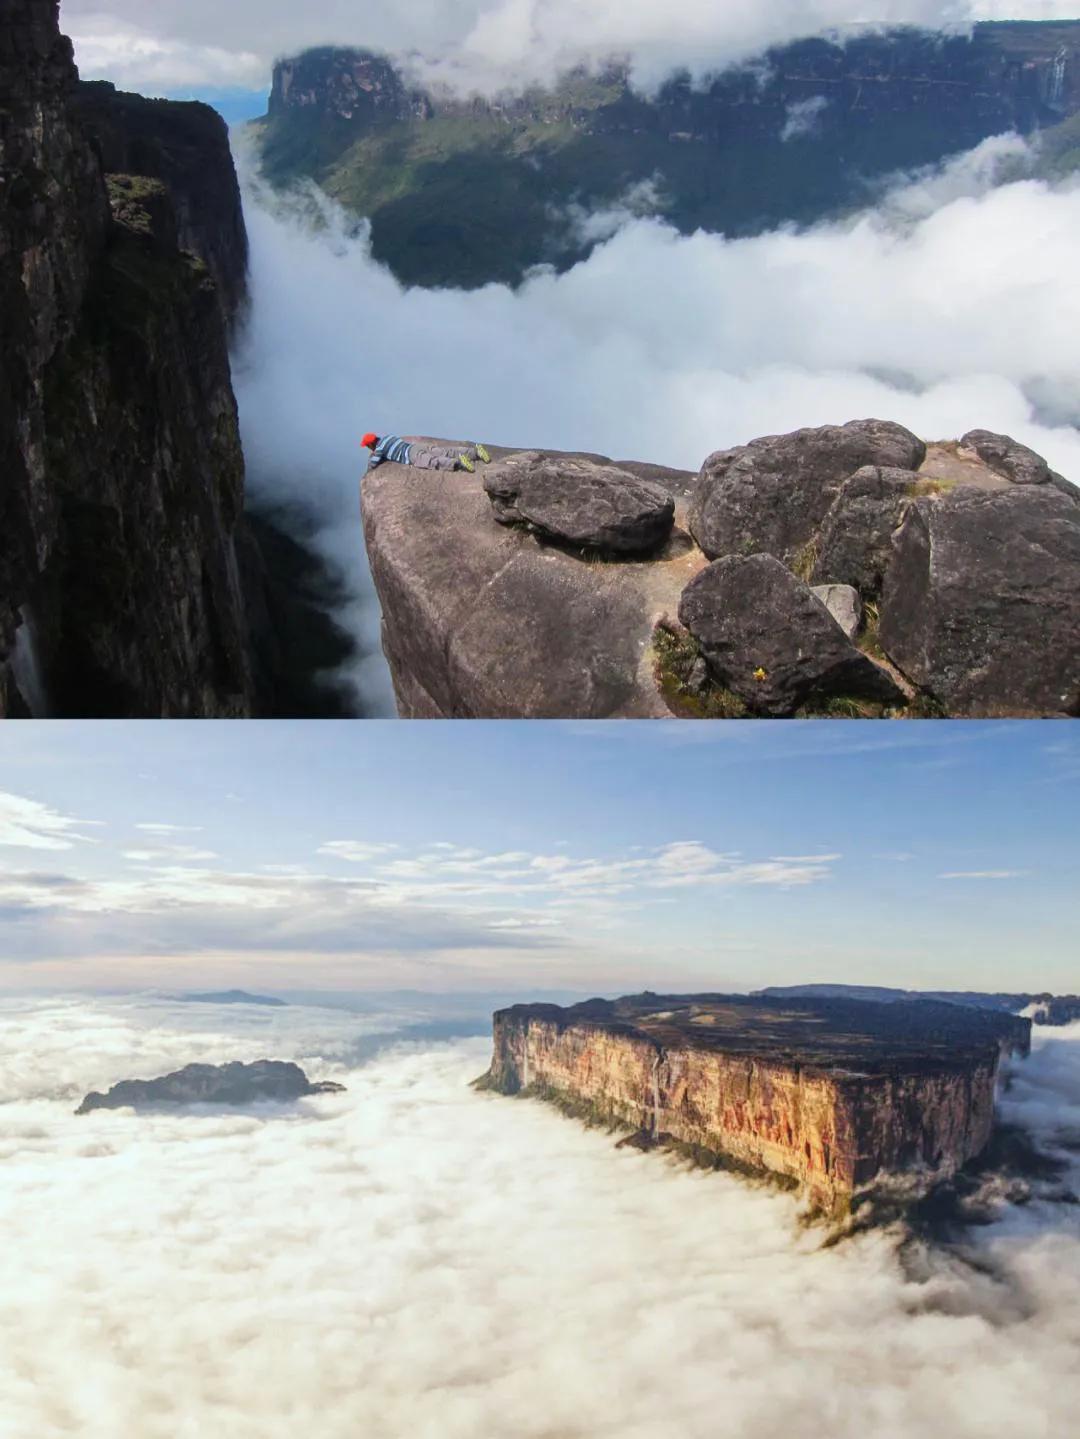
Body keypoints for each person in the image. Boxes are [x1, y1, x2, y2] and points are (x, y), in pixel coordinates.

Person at [361, 434, 491, 474]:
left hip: (410, 455)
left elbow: (373, 464)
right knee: (446, 451)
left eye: (367, 446)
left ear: (371, 444)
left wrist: (367, 471)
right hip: (416, 446)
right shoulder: (389, 436)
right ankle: (475, 453)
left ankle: (459, 463)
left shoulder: (379, 449)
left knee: (433, 461)